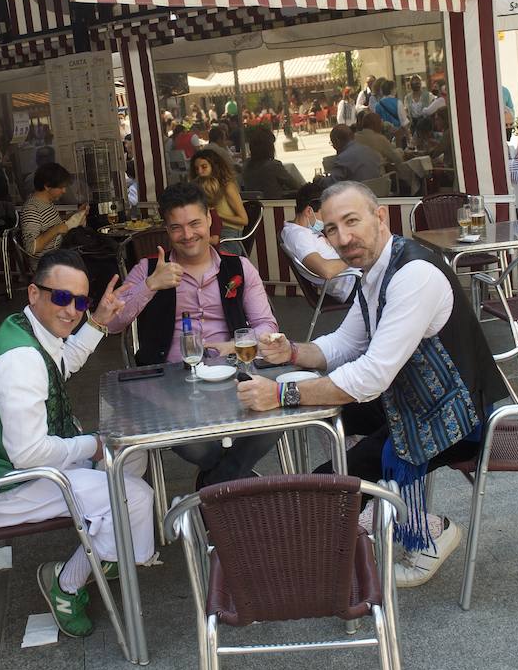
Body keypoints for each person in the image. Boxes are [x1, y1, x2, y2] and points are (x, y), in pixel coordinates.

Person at [238, 182, 509, 587]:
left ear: (379, 216)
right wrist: (291, 353)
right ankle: (366, 515)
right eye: (331, 229)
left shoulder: (413, 275)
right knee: (327, 419)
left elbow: (371, 376)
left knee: (332, 480)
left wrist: (282, 392)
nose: (344, 238)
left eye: (352, 222)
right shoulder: (375, 271)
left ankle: (428, 533)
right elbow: (345, 344)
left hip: (462, 416)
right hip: (417, 399)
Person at [0, 249, 150, 637]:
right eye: (61, 297)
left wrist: (97, 322)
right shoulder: (21, 359)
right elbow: (28, 455)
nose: (71, 310)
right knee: (137, 498)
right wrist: (90, 445)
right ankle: (66, 583)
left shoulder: (28, 330)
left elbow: (61, 363)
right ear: (33, 293)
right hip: (7, 487)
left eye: (80, 301)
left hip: (15, 466)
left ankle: (108, 553)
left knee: (132, 456)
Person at [104, 183, 280, 487]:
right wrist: (150, 286)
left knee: (274, 421)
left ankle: (212, 490)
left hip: (233, 374)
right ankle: (233, 483)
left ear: (210, 219)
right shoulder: (148, 269)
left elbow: (267, 325)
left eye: (195, 223)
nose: (187, 235)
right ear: (167, 230)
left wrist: (234, 345)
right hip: (167, 384)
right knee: (195, 444)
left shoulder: (239, 267)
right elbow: (112, 324)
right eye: (177, 228)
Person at [280, 180, 356, 300]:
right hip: (352, 284)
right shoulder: (298, 236)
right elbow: (326, 271)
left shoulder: (299, 230)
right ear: (309, 211)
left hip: (357, 277)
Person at [21, 163, 88, 256]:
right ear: (47, 186)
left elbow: (51, 223)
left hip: (60, 255)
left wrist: (76, 214)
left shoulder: (47, 203)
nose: (64, 191)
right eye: (61, 187)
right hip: (48, 264)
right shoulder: (32, 210)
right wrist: (55, 230)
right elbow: (31, 248)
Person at [191, 148, 248, 254]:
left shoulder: (227, 187)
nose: (199, 172)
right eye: (196, 169)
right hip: (209, 232)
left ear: (214, 167)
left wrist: (216, 214)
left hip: (228, 236)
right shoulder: (200, 188)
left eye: (204, 167)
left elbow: (244, 220)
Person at [239, 129, 302, 200]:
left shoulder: (246, 166)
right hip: (277, 206)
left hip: (254, 207)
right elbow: (295, 185)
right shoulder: (273, 165)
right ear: (269, 147)